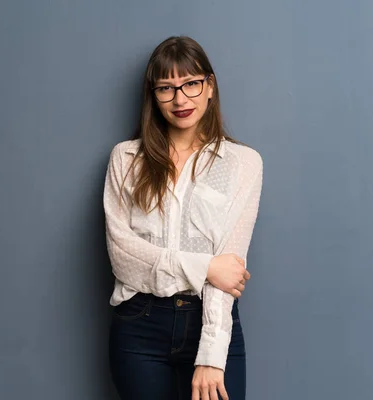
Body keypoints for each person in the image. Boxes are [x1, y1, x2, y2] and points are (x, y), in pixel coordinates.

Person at [103, 36, 263, 400]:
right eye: (166, 88)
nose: (180, 99)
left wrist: (211, 355)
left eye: (191, 84)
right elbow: (123, 257)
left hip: (210, 319)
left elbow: (231, 269)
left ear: (210, 86)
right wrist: (207, 267)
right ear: (153, 95)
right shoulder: (126, 159)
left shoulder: (243, 163)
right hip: (138, 325)